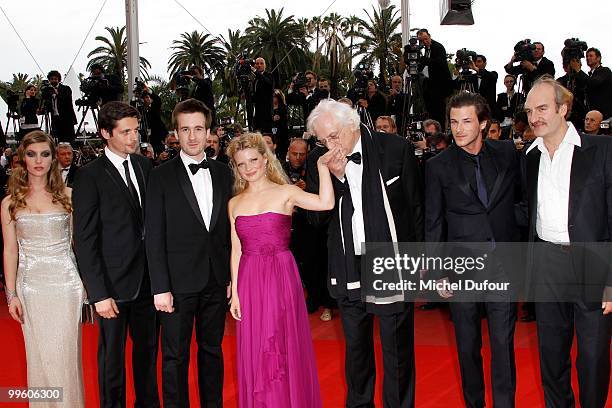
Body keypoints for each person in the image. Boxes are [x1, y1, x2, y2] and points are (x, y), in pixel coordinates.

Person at [306, 99, 423, 407]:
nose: (329, 145)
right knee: (356, 349)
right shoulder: (320, 159)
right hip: (348, 263)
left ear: (353, 124)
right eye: (322, 140)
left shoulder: (396, 149)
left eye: (333, 136)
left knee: (396, 348)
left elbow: (415, 209)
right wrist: (334, 177)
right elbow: (316, 220)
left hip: (391, 260)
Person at [227, 132, 337, 407]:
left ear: (265, 160)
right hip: (249, 278)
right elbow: (236, 249)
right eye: (242, 164)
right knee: (255, 346)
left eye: (253, 160)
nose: (249, 167)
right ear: (236, 168)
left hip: (280, 274)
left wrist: (321, 167)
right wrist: (236, 294)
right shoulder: (234, 203)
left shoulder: (286, 192)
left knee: (277, 340)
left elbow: (326, 203)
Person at [426, 93, 522, 408]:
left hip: (502, 265)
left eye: (466, 121)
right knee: (467, 346)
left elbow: (522, 200)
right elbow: (434, 220)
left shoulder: (507, 152)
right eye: (453, 122)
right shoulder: (438, 165)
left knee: (502, 344)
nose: (458, 129)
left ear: (483, 123)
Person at [523, 76, 611, 408]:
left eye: (542, 108)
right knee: (551, 354)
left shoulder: (602, 150)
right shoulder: (529, 157)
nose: (534, 117)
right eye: (530, 110)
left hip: (593, 263)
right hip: (547, 263)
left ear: (563, 108)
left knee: (592, 356)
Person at [73, 102, 159, 408]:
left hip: (148, 283)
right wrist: (98, 293)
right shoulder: (88, 176)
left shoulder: (145, 166)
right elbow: (85, 240)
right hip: (111, 286)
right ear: (105, 133)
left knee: (148, 355)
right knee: (112, 362)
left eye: (135, 130)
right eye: (125, 132)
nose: (133, 138)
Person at [146, 99, 231, 407]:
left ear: (209, 132)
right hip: (177, 285)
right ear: (176, 133)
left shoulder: (224, 173)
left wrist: (230, 278)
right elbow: (153, 236)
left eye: (198, 129)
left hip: (215, 280)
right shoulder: (160, 176)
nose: (193, 137)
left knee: (212, 351)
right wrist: (160, 288)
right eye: (185, 129)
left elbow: (228, 231)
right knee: (175, 357)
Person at [2, 131, 85, 406]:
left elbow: (79, 245)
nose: (38, 161)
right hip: (31, 288)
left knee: (64, 357)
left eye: (45, 154)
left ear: (53, 158)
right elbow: (10, 250)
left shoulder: (70, 196)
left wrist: (86, 285)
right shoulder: (10, 202)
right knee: (37, 356)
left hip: (65, 286)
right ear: (21, 158)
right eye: (31, 154)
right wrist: (11, 294)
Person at [417, 28, 453, 125]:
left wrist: (424, 60)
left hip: (440, 86)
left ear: (429, 36)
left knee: (439, 111)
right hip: (431, 85)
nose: (425, 42)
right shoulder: (426, 50)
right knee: (430, 110)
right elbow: (423, 64)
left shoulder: (438, 47)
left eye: (426, 39)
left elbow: (439, 63)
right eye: (422, 40)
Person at [46, 70, 77, 144]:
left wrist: (57, 94)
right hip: (55, 119)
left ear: (59, 80)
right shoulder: (48, 91)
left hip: (67, 119)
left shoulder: (66, 88)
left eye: (55, 79)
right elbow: (47, 104)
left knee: (69, 141)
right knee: (59, 141)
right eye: (52, 79)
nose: (54, 80)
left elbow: (67, 101)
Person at [585, 47, 612, 119]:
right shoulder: (590, 75)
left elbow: (594, 82)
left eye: (591, 56)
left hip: (604, 115)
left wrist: (579, 71)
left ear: (598, 58)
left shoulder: (605, 71)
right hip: (592, 114)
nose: (588, 58)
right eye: (586, 56)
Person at [252, 57, 274, 132]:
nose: (259, 65)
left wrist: (256, 72)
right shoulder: (255, 79)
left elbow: (268, 83)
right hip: (257, 112)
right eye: (257, 63)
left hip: (267, 112)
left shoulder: (269, 75)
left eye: (261, 63)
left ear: (265, 66)